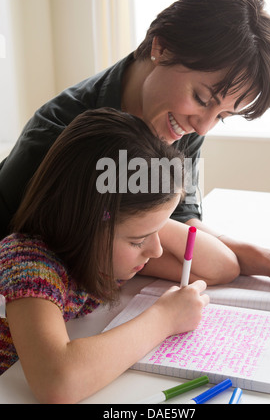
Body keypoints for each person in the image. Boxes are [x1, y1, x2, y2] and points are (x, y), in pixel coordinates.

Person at [0, 0, 270, 290]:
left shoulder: (179, 122)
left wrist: (268, 260)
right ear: (161, 48)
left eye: (222, 116)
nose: (204, 127)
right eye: (201, 97)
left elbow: (181, 218)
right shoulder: (58, 137)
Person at [0, 108, 222, 403]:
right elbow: (57, 381)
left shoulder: (104, 251)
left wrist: (151, 220)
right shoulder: (29, 264)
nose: (156, 250)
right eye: (139, 239)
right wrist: (164, 319)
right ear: (87, 223)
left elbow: (220, 268)